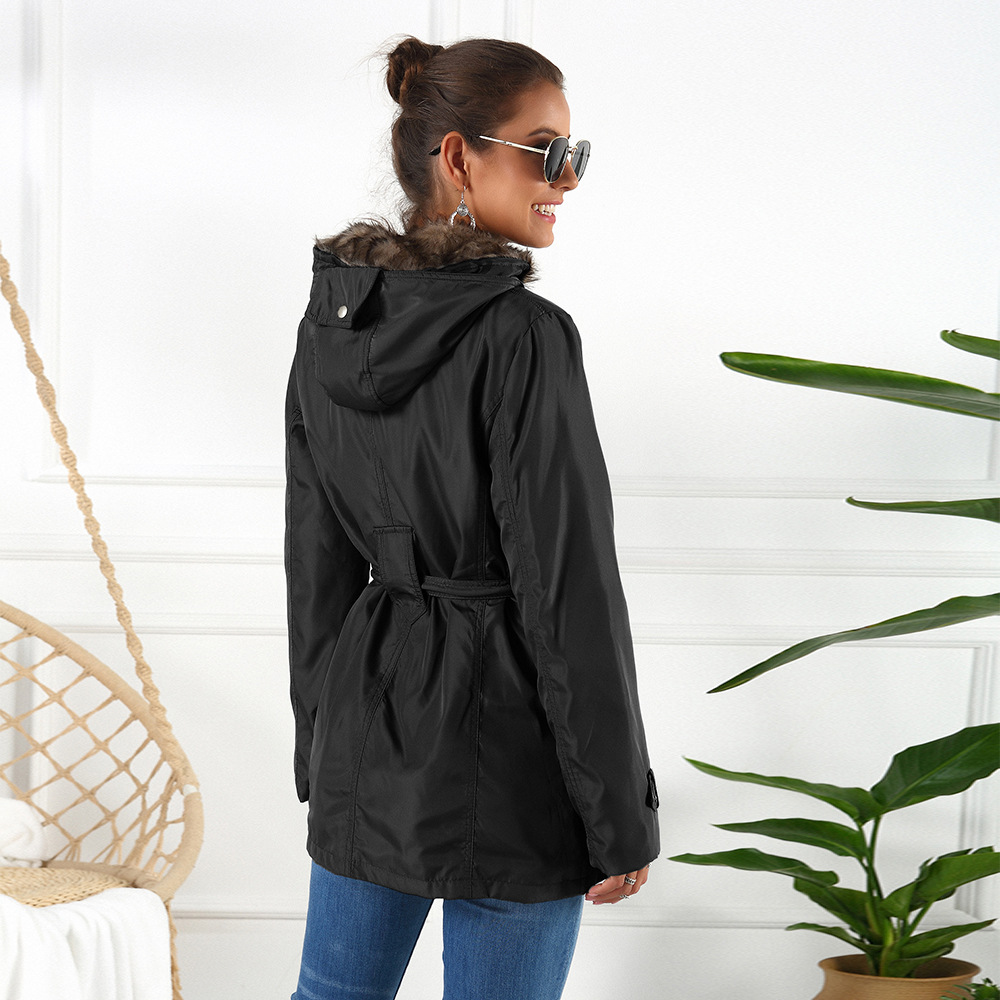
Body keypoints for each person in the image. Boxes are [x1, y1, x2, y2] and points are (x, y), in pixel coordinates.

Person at [285, 36, 659, 1000]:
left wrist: (322, 748)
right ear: (460, 157)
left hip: (370, 727)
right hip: (515, 753)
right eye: (548, 151)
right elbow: (567, 587)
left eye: (576, 155)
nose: (566, 180)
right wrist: (617, 814)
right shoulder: (525, 336)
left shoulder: (328, 327)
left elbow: (316, 565)